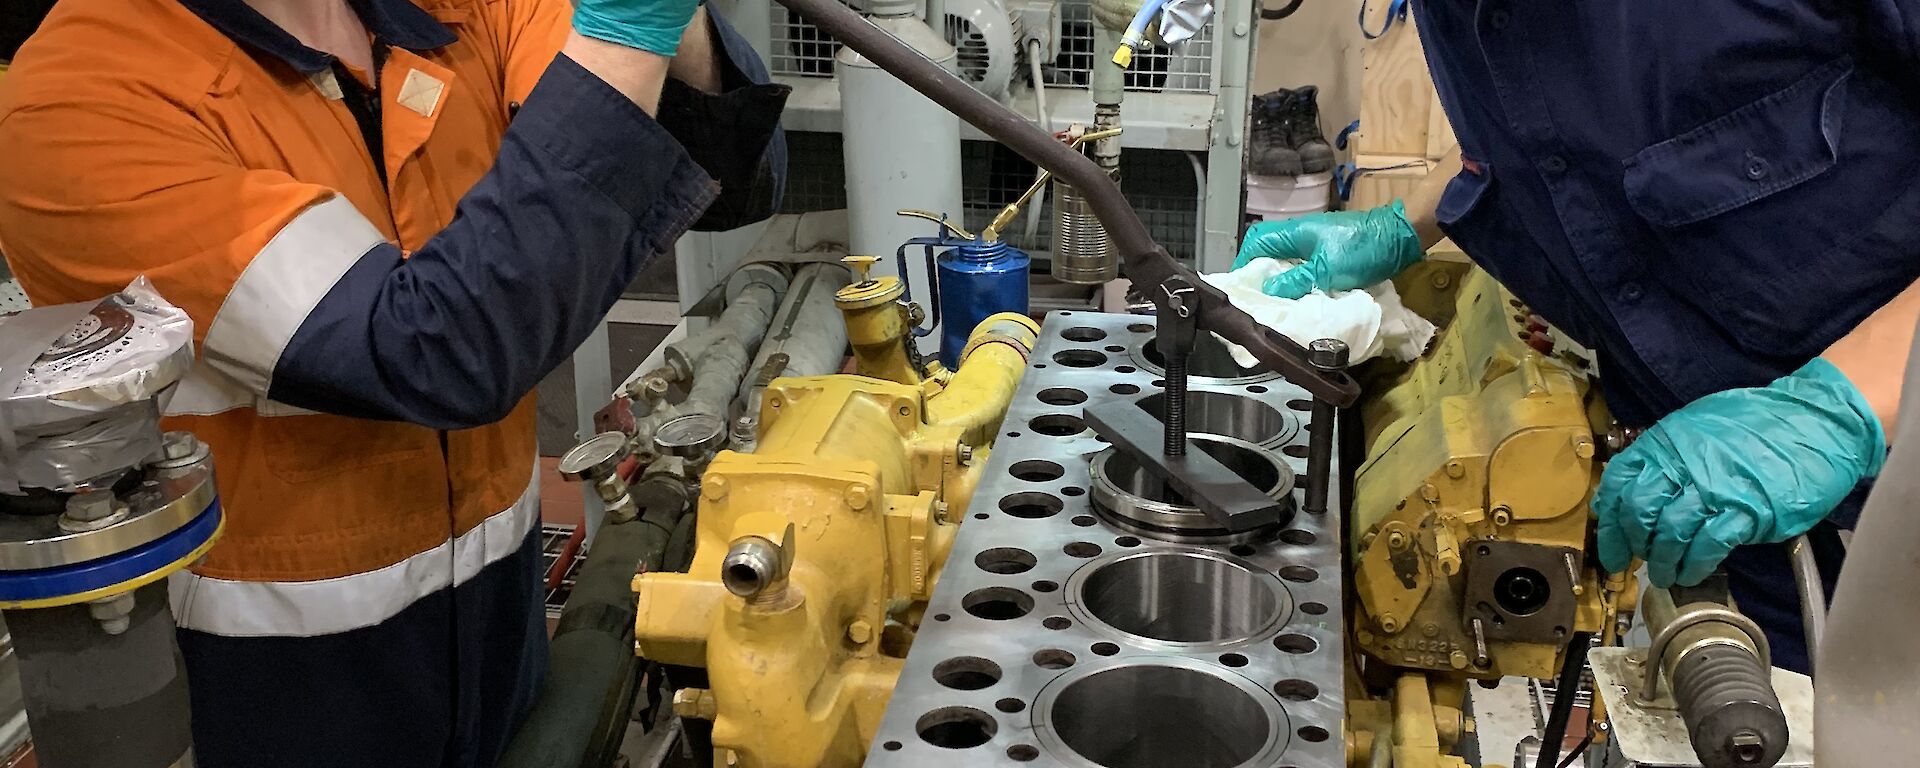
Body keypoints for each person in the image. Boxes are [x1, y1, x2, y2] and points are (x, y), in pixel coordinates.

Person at [0, 0, 787, 763]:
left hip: (495, 629)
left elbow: (730, 175)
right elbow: (434, 349)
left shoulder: (452, 9)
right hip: (269, 681)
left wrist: (671, 24)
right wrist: (627, 25)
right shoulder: (76, 102)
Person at [1225, 4, 1920, 673]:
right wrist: (1405, 225)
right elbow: (1538, 130)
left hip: (1885, 476)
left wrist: (1841, 408)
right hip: (1718, 502)